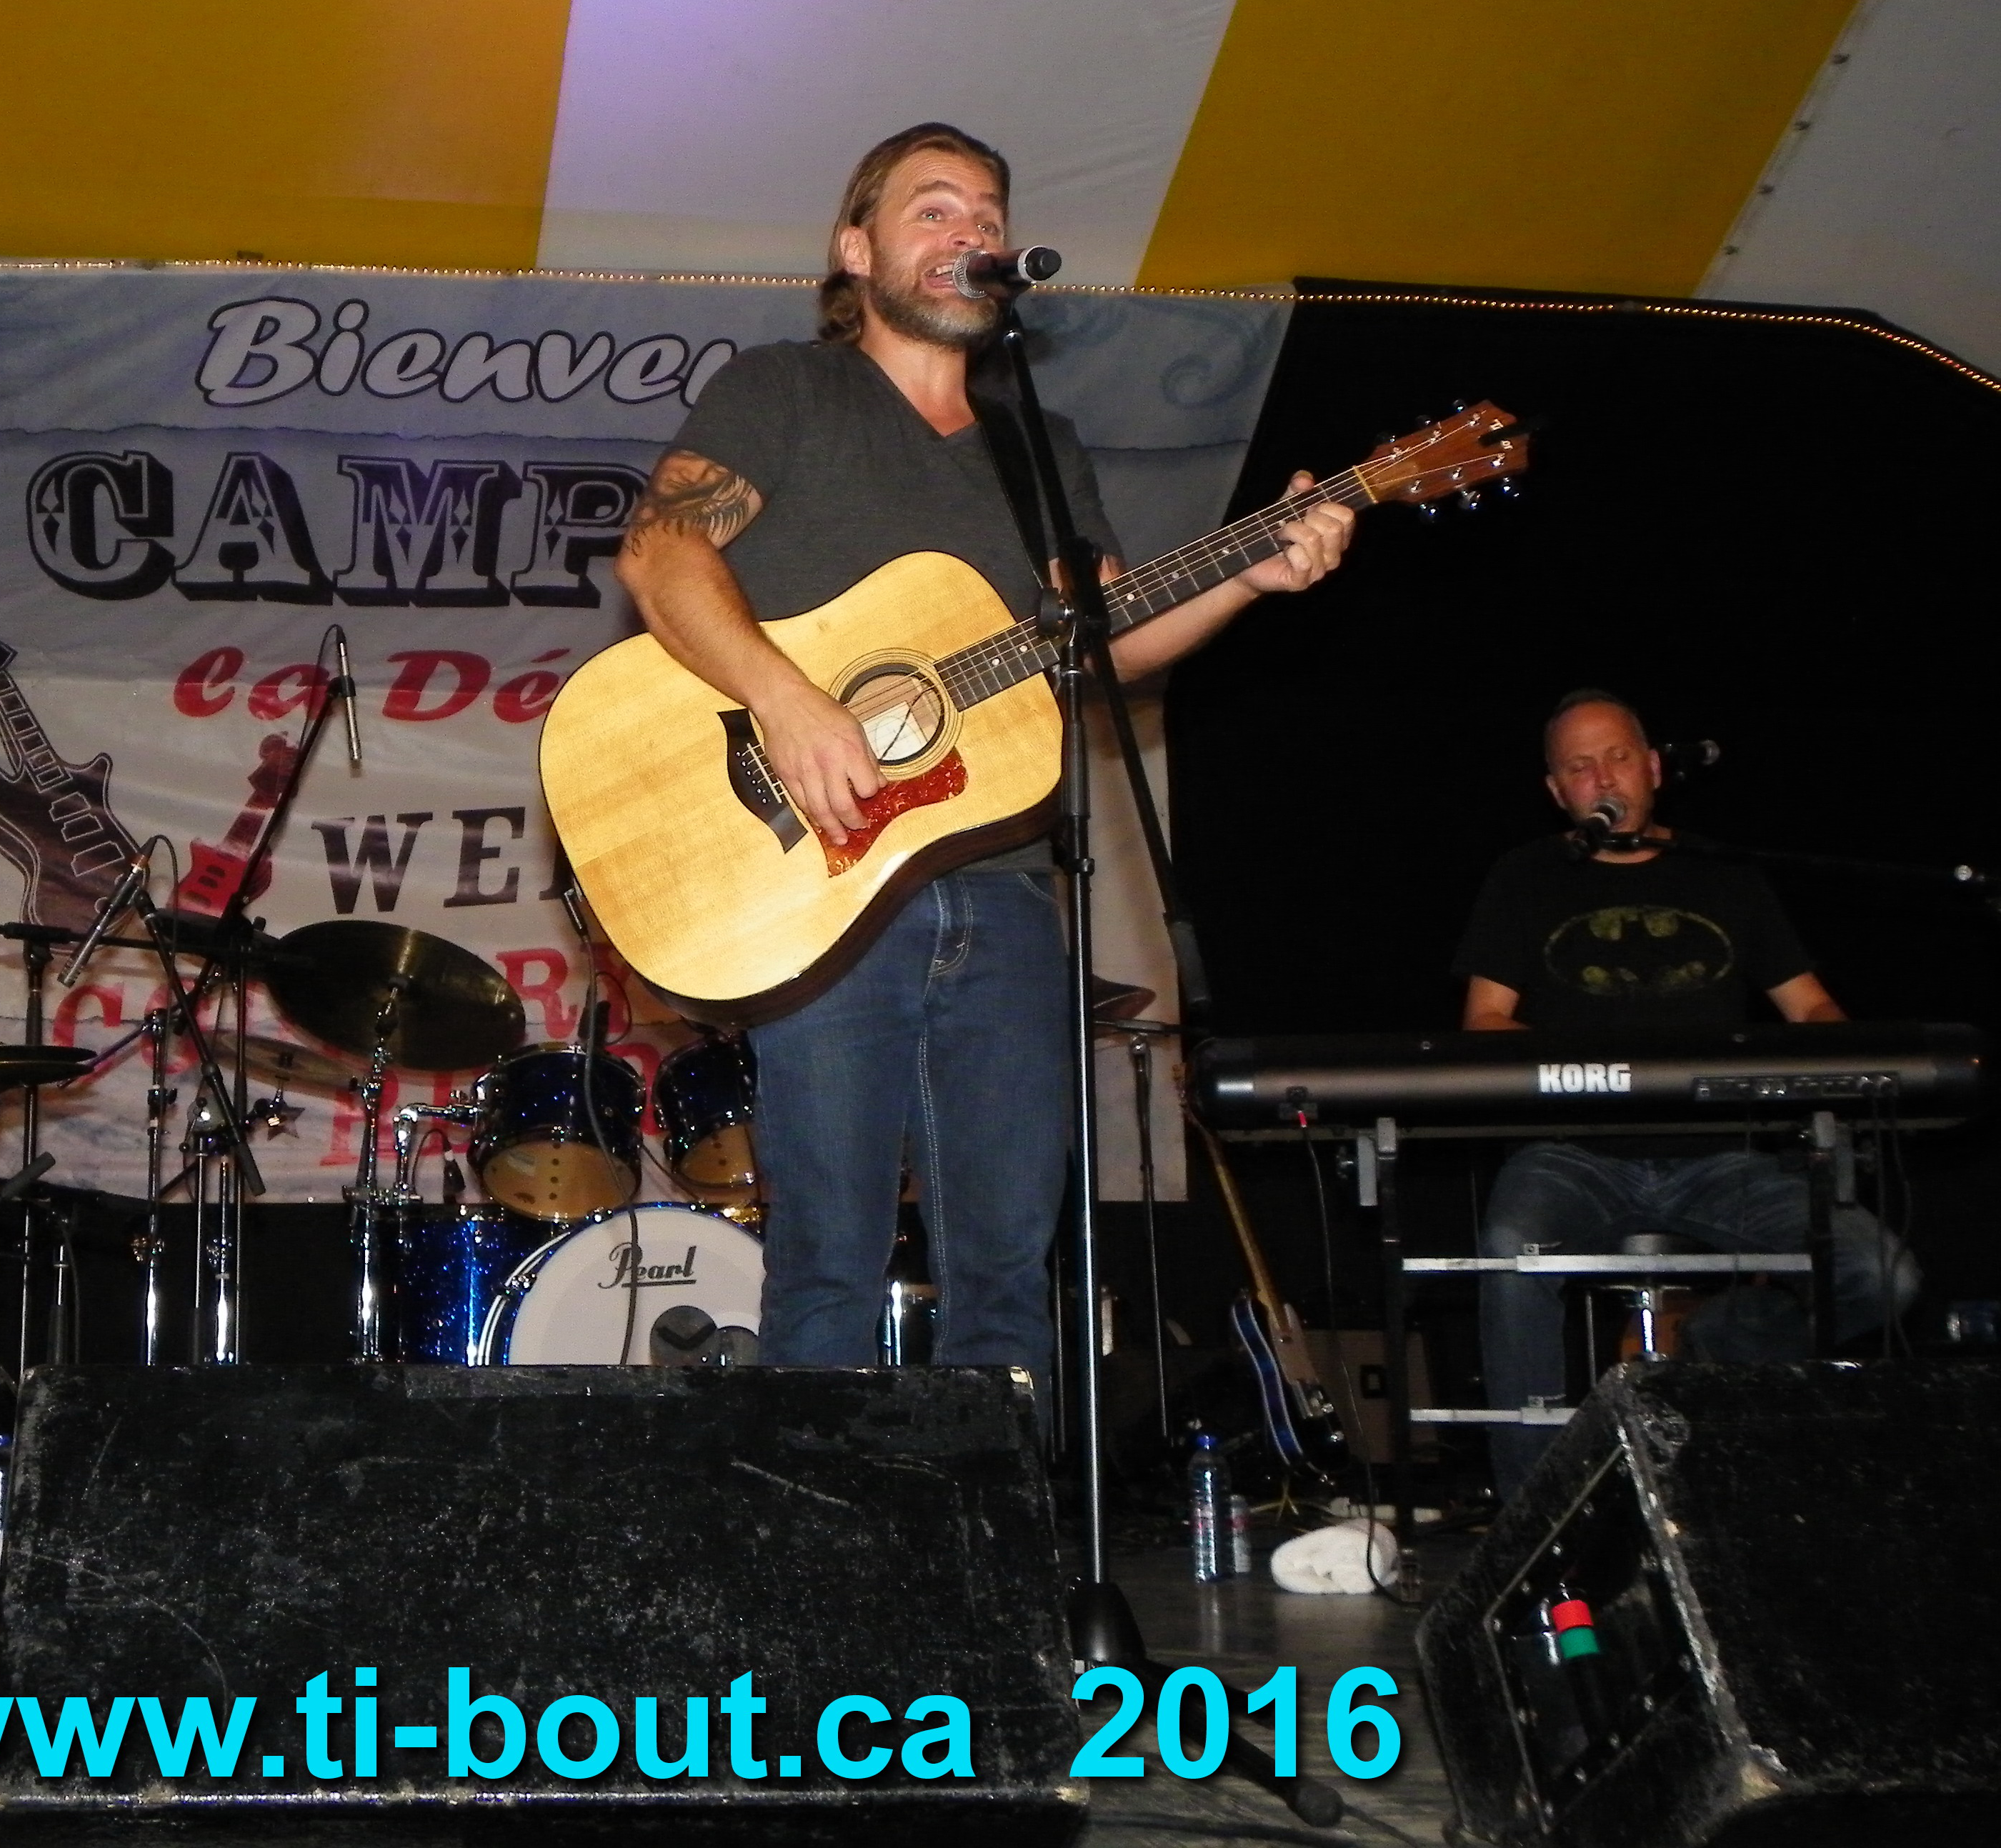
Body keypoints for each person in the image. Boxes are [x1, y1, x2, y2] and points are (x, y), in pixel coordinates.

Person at [613, 121, 1354, 1371]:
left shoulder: (1036, 450)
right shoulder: (786, 390)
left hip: (1005, 888)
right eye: (935, 209)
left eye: (987, 216)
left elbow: (1106, 640)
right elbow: (659, 551)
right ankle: (827, 1504)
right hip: (827, 886)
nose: (971, 232)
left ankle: (996, 1500)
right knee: (830, 1266)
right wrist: (790, 702)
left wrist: (1250, 573)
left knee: (1012, 1276)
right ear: (857, 251)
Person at [1455, 689, 1917, 1494]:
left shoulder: (1724, 873)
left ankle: (1718, 1342)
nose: (1603, 777)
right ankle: (1537, 1509)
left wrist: (1847, 1061)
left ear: (1654, 768)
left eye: (1617, 757)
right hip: (1571, 1154)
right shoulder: (1525, 877)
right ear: (1557, 792)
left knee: (1882, 1272)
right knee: (1508, 1249)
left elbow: (1809, 1005)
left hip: (1725, 1156)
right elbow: (1484, 1020)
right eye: (1580, 767)